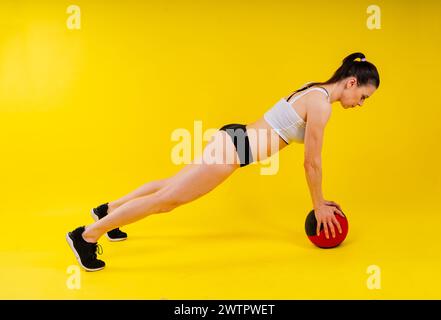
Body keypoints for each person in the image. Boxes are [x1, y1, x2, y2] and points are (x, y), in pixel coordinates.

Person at [66, 52, 380, 271]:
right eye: (364, 96)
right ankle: (87, 235)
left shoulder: (314, 89)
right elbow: (311, 163)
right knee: (166, 200)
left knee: (169, 185)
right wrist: (319, 204)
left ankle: (106, 211)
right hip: (234, 150)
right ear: (352, 82)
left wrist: (321, 200)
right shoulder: (322, 106)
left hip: (234, 137)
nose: (361, 103)